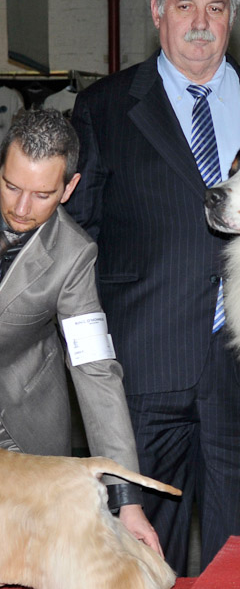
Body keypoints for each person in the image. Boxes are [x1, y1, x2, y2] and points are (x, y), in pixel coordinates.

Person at [66, 0, 240, 575]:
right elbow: (78, 238)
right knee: (140, 564)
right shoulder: (103, 107)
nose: (200, 22)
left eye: (216, 8)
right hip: (143, 372)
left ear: (233, 17)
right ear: (157, 12)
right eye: (185, 6)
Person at [0, 108, 162, 556]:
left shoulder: (75, 256)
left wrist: (125, 500)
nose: (19, 208)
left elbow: (95, 372)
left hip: (18, 427)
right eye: (11, 186)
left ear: (69, 188)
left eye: (41, 194)